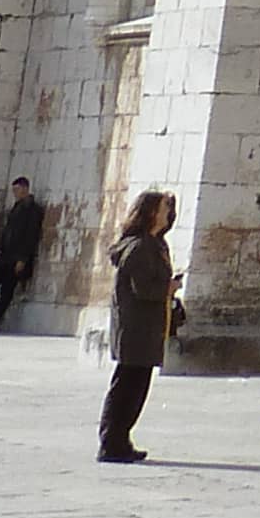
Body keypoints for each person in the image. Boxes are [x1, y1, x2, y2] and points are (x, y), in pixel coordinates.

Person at [99, 192, 180, 464]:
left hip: (147, 326)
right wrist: (168, 288)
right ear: (150, 213)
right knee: (126, 386)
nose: (167, 212)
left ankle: (121, 439)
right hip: (135, 327)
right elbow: (143, 288)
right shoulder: (139, 247)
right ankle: (111, 442)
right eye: (163, 208)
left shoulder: (156, 244)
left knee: (137, 387)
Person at [0, 174, 45, 331]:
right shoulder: (17, 207)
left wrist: (22, 259)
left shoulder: (32, 210)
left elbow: (31, 235)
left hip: (16, 259)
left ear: (25, 189)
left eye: (17, 190)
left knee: (6, 293)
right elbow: (8, 231)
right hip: (6, 257)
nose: (15, 193)